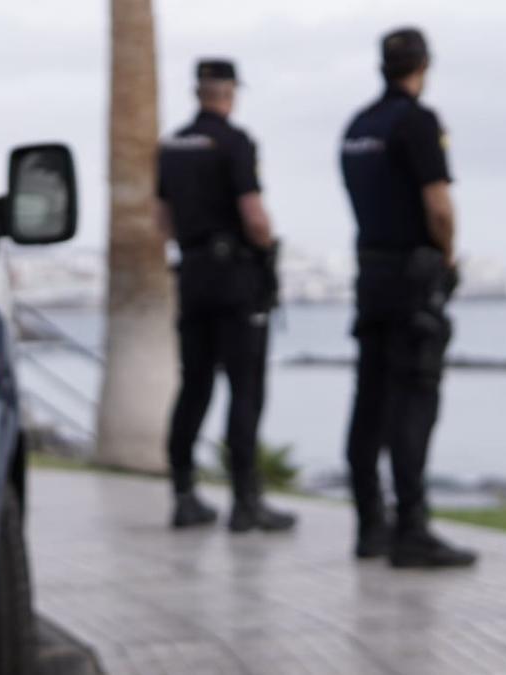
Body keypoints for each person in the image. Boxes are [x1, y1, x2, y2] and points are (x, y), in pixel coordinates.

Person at [340, 28, 476, 568]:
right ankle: (411, 529)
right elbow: (438, 207)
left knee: (369, 400)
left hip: (370, 276)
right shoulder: (416, 122)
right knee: (414, 399)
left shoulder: (358, 126)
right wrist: (445, 256)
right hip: (411, 278)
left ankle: (370, 524)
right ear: (423, 65)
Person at [157, 59, 296, 533]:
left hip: (193, 276)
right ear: (229, 92)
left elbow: (162, 221)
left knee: (194, 386)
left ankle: (183, 493)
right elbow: (254, 215)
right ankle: (245, 501)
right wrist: (266, 248)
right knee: (245, 388)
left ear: (198, 93)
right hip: (235, 279)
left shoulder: (170, 146)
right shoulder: (236, 143)